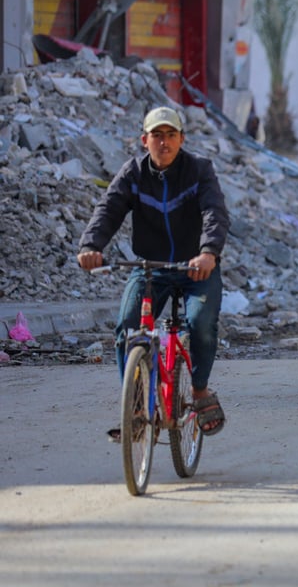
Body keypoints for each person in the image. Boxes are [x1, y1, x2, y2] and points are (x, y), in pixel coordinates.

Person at [77, 106, 230, 440]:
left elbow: (214, 212)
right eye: (157, 136)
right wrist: (91, 245)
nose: (164, 142)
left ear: (181, 139)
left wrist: (208, 253)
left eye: (171, 135)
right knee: (127, 328)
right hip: (150, 269)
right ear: (144, 139)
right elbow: (109, 209)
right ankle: (134, 405)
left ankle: (201, 389)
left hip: (195, 269)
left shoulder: (199, 169)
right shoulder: (133, 172)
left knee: (202, 324)